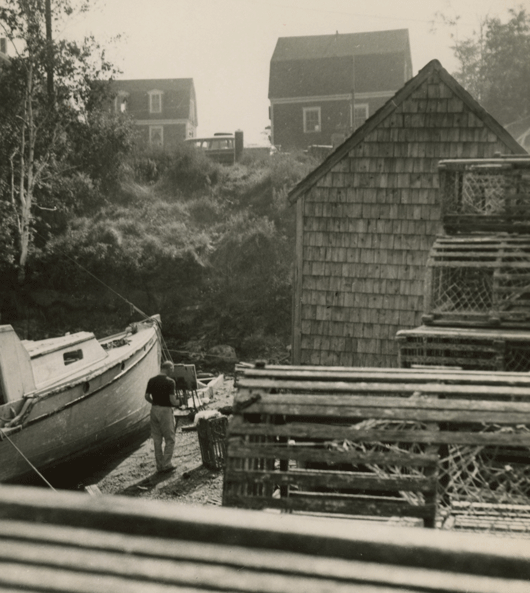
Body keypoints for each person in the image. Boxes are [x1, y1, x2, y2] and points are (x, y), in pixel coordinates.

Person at [145, 360, 179, 473]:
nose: (172, 371)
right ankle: (167, 464)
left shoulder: (152, 380)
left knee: (157, 439)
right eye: (172, 369)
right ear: (168, 368)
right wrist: (180, 402)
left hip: (154, 410)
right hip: (165, 411)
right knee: (170, 439)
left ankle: (159, 465)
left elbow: (146, 396)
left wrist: (154, 402)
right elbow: (172, 401)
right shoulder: (170, 382)